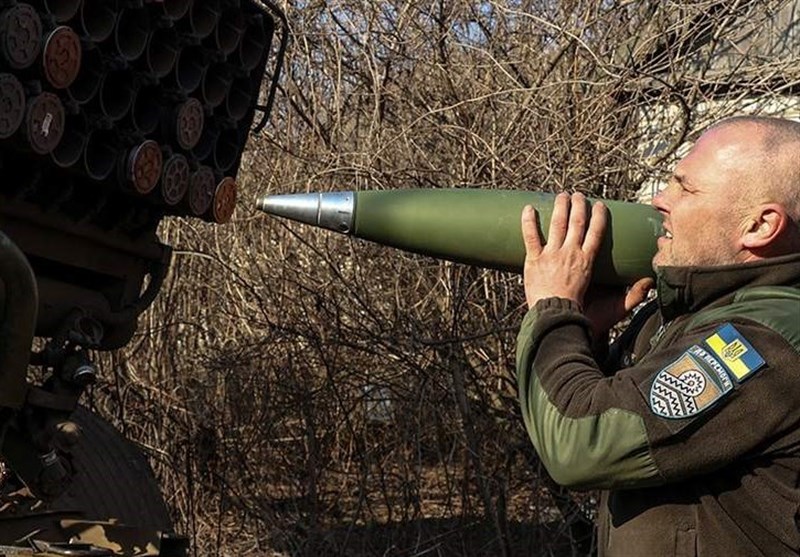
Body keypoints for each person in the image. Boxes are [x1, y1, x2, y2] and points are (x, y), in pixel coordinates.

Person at [515, 115, 800, 556]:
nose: (659, 200)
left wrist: (553, 308)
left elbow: (581, 443)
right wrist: (583, 332)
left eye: (685, 188)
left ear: (760, 226)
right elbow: (611, 409)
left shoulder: (764, 342)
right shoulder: (693, 313)